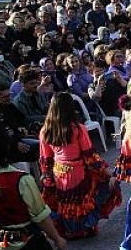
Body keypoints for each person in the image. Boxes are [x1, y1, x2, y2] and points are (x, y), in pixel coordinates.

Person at [38, 92, 121, 239]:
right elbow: (90, 156)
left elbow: (45, 160)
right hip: (78, 171)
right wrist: (107, 172)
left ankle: (70, 230)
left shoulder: (45, 131)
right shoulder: (78, 128)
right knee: (90, 195)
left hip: (59, 173)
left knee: (65, 202)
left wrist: (47, 177)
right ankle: (85, 228)